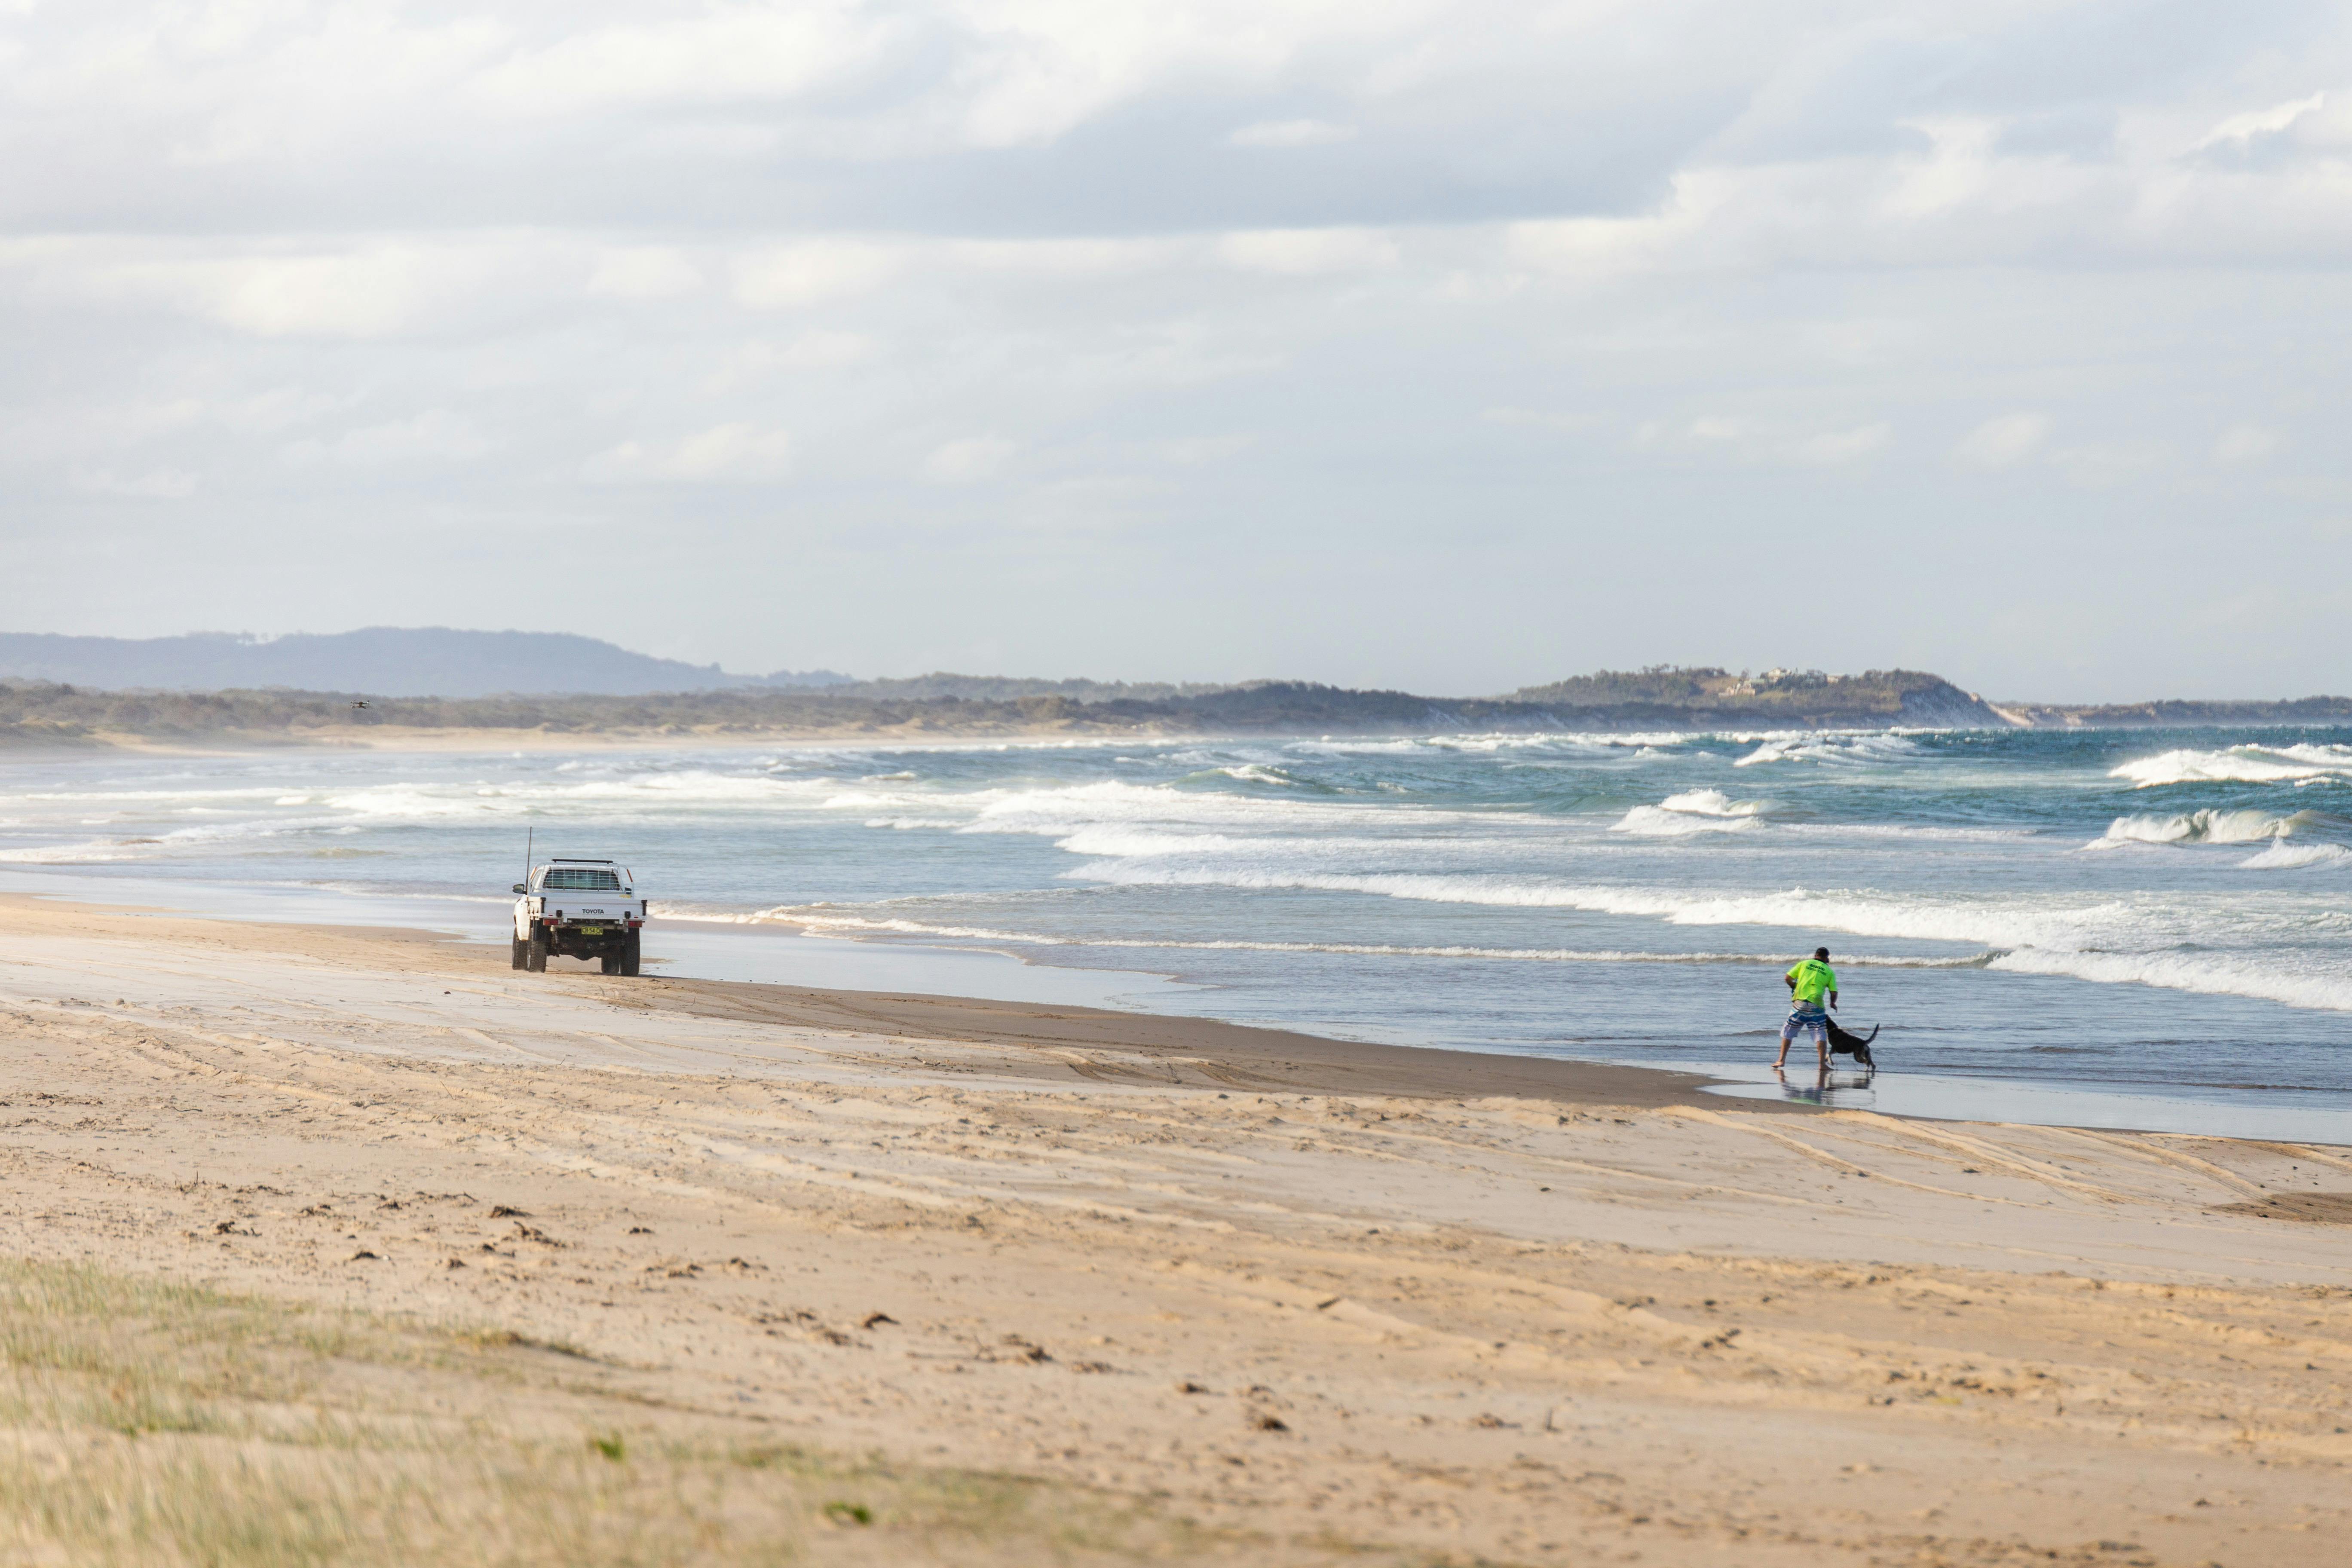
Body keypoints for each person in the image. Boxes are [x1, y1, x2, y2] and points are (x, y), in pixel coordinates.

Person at [1776, 946, 1839, 1072]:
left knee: (1789, 1031)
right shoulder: (1829, 971)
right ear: (1827, 958)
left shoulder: (1804, 964)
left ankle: (1781, 1060)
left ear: (1816, 955)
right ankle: (1822, 1065)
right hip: (1817, 1005)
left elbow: (1787, 978)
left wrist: (1795, 986)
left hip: (1800, 1003)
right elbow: (1833, 992)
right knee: (1820, 1034)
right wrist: (1832, 1003)